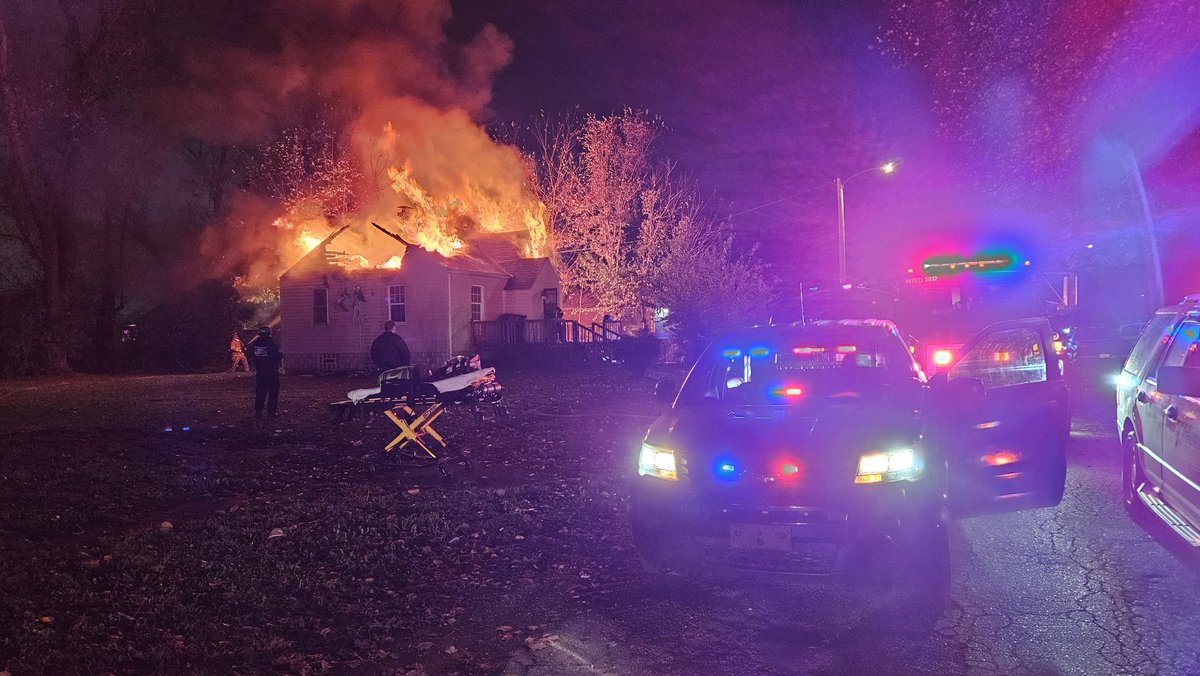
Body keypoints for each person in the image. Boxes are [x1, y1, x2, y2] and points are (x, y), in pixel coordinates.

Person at [248, 326, 283, 417]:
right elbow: (278, 356)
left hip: (260, 373)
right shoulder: (271, 344)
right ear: (269, 334)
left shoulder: (255, 345)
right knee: (273, 392)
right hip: (272, 373)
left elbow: (250, 355)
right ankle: (271, 412)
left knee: (260, 392)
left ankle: (258, 412)